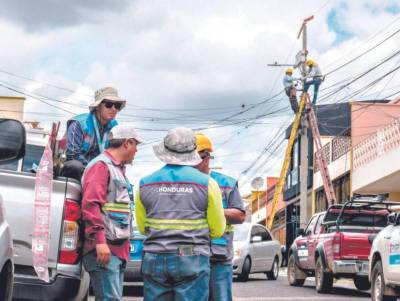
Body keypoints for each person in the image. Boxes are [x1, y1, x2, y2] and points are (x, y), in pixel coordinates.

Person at [135, 127, 226, 301]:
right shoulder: (208, 184)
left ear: (165, 150)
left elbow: (142, 227)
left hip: (155, 257)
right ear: (193, 152)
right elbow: (217, 230)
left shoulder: (144, 184)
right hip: (191, 256)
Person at [81, 124, 143, 301]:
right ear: (127, 143)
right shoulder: (101, 166)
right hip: (104, 249)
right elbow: (91, 205)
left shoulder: (117, 169)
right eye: (136, 145)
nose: (136, 150)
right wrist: (100, 242)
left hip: (115, 250)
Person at [195, 133, 245, 301]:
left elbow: (239, 215)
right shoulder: (186, 183)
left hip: (219, 256)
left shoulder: (226, 183)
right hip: (191, 255)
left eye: (195, 159)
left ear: (207, 157)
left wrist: (215, 212)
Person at [61, 86, 126, 180]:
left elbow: (116, 154)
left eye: (117, 106)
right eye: (109, 104)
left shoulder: (115, 127)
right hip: (82, 169)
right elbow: (72, 155)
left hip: (102, 170)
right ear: (98, 106)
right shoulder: (78, 123)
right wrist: (95, 169)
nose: (114, 109)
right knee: (74, 166)